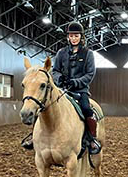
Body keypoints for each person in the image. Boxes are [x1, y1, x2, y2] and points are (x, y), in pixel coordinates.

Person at [21, 21, 101, 155]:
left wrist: (75, 82)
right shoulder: (61, 53)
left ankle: (91, 139)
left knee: (87, 109)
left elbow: (90, 74)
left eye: (76, 36)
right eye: (71, 36)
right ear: (68, 37)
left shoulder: (88, 54)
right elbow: (55, 70)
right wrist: (60, 79)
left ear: (81, 37)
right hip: (61, 89)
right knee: (41, 106)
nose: (74, 38)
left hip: (80, 90)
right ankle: (33, 137)